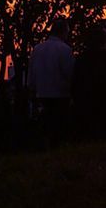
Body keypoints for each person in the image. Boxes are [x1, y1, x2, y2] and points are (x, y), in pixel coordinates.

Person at [27, 18, 75, 148]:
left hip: (41, 94)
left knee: (46, 128)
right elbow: (69, 74)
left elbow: (31, 74)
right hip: (60, 95)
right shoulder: (65, 49)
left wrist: (32, 92)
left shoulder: (37, 49)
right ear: (64, 31)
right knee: (59, 129)